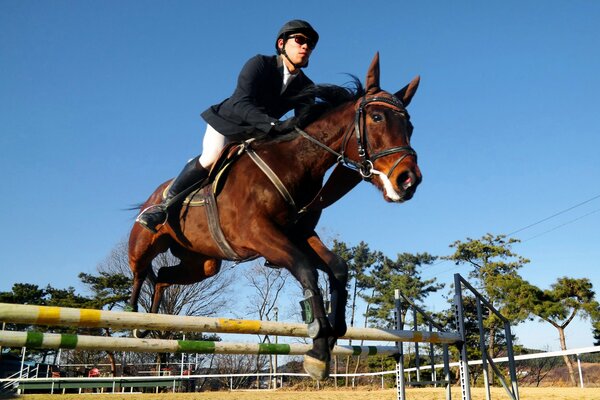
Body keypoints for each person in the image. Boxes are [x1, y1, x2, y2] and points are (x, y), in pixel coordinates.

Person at [136, 19, 319, 233]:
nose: (305, 47)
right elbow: (241, 102)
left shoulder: (307, 87)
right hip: (228, 124)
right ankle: (162, 207)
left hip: (259, 135)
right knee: (211, 157)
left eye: (310, 44)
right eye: (300, 40)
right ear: (281, 44)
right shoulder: (259, 63)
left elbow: (304, 126)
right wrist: (273, 124)